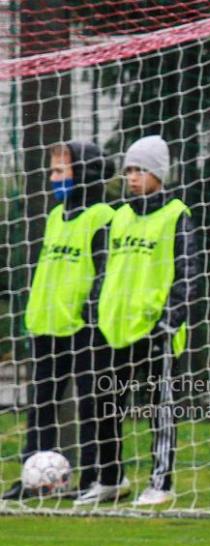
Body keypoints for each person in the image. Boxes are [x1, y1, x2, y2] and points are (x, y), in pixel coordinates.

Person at [78, 134, 198, 506]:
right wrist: (95, 310)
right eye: (129, 169)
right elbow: (104, 269)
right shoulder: (119, 217)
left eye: (140, 170)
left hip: (156, 329)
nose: (132, 177)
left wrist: (170, 318)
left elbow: (188, 273)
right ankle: (110, 479)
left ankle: (161, 483)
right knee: (105, 407)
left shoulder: (176, 215)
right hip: (114, 328)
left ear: (158, 174)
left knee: (159, 409)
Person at [4, 141, 114, 500]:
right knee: (41, 406)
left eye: (60, 171)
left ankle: (91, 479)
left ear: (85, 173)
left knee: (89, 404)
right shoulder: (55, 216)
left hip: (82, 327)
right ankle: (33, 478)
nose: (53, 178)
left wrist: (91, 312)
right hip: (46, 325)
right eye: (52, 171)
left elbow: (103, 269)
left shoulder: (102, 216)